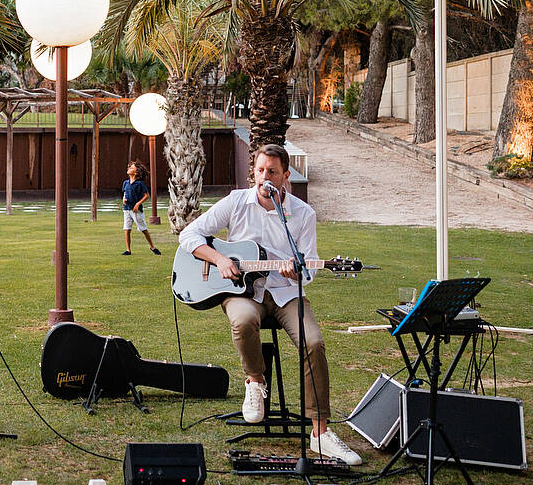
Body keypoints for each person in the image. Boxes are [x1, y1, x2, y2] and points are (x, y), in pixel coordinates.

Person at [176, 143, 362, 466]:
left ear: (285, 176)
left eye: (272, 172)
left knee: (313, 342)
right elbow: (188, 235)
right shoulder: (236, 202)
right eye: (260, 170)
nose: (265, 177)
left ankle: (320, 433)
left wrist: (297, 271)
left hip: (286, 293)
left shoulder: (303, 214)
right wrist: (220, 259)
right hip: (242, 292)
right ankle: (255, 381)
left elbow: (308, 270)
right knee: (243, 320)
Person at [120, 161, 162, 255]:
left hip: (136, 211)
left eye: (131, 168)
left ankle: (152, 247)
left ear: (136, 172)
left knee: (143, 229)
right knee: (127, 229)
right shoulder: (125, 183)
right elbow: (124, 193)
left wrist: (138, 204)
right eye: (129, 167)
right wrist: (123, 199)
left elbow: (146, 195)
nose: (129, 168)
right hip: (126, 209)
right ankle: (128, 250)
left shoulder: (139, 184)